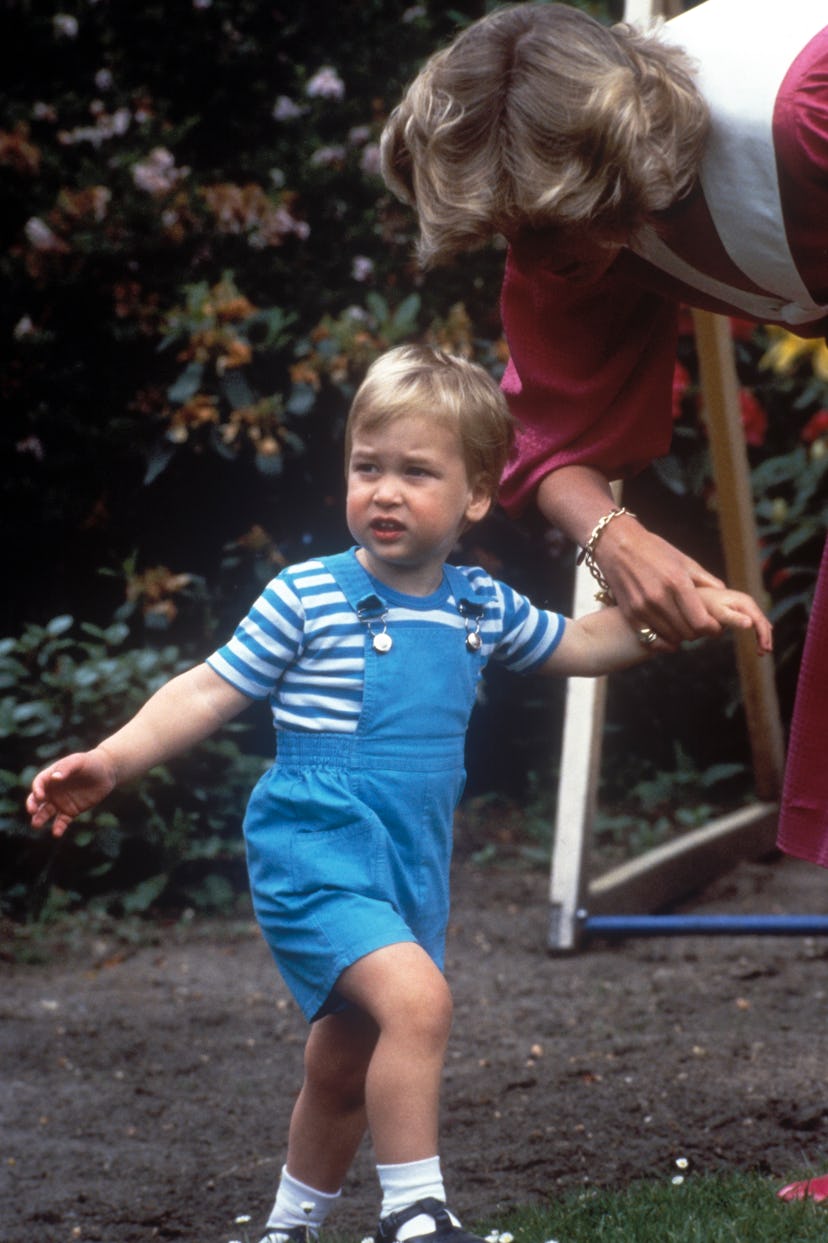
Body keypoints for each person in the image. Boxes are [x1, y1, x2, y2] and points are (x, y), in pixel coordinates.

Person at [27, 344, 771, 1242]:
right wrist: (111, 760)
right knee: (418, 1004)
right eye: (367, 467)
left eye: (416, 472)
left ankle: (288, 1226)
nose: (385, 490)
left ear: (477, 495)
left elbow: (579, 645)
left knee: (346, 1057)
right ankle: (416, 1213)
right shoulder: (306, 596)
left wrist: (684, 613)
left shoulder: (478, 606)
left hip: (409, 859)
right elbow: (207, 687)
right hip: (317, 844)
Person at [380, 0, 828, 1203]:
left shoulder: (807, 106)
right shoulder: (573, 229)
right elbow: (555, 425)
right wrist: (615, 535)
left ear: (631, 155)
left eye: (546, 224)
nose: (529, 256)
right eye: (509, 230)